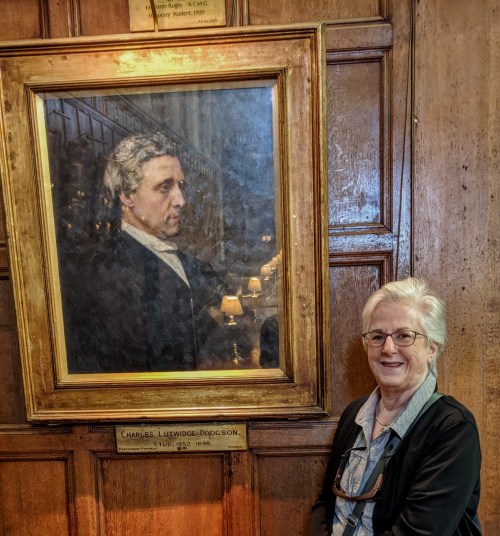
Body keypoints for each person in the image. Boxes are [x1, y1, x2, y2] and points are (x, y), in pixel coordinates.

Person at [310, 277, 481, 536]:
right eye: (378, 336)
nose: (388, 348)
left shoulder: (453, 428)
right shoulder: (353, 414)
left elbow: (420, 532)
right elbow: (325, 503)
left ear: (432, 348)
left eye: (404, 336)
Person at [63, 132, 228, 373]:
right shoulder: (108, 273)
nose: (180, 200)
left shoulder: (184, 260)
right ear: (127, 196)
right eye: (165, 187)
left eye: (180, 186)